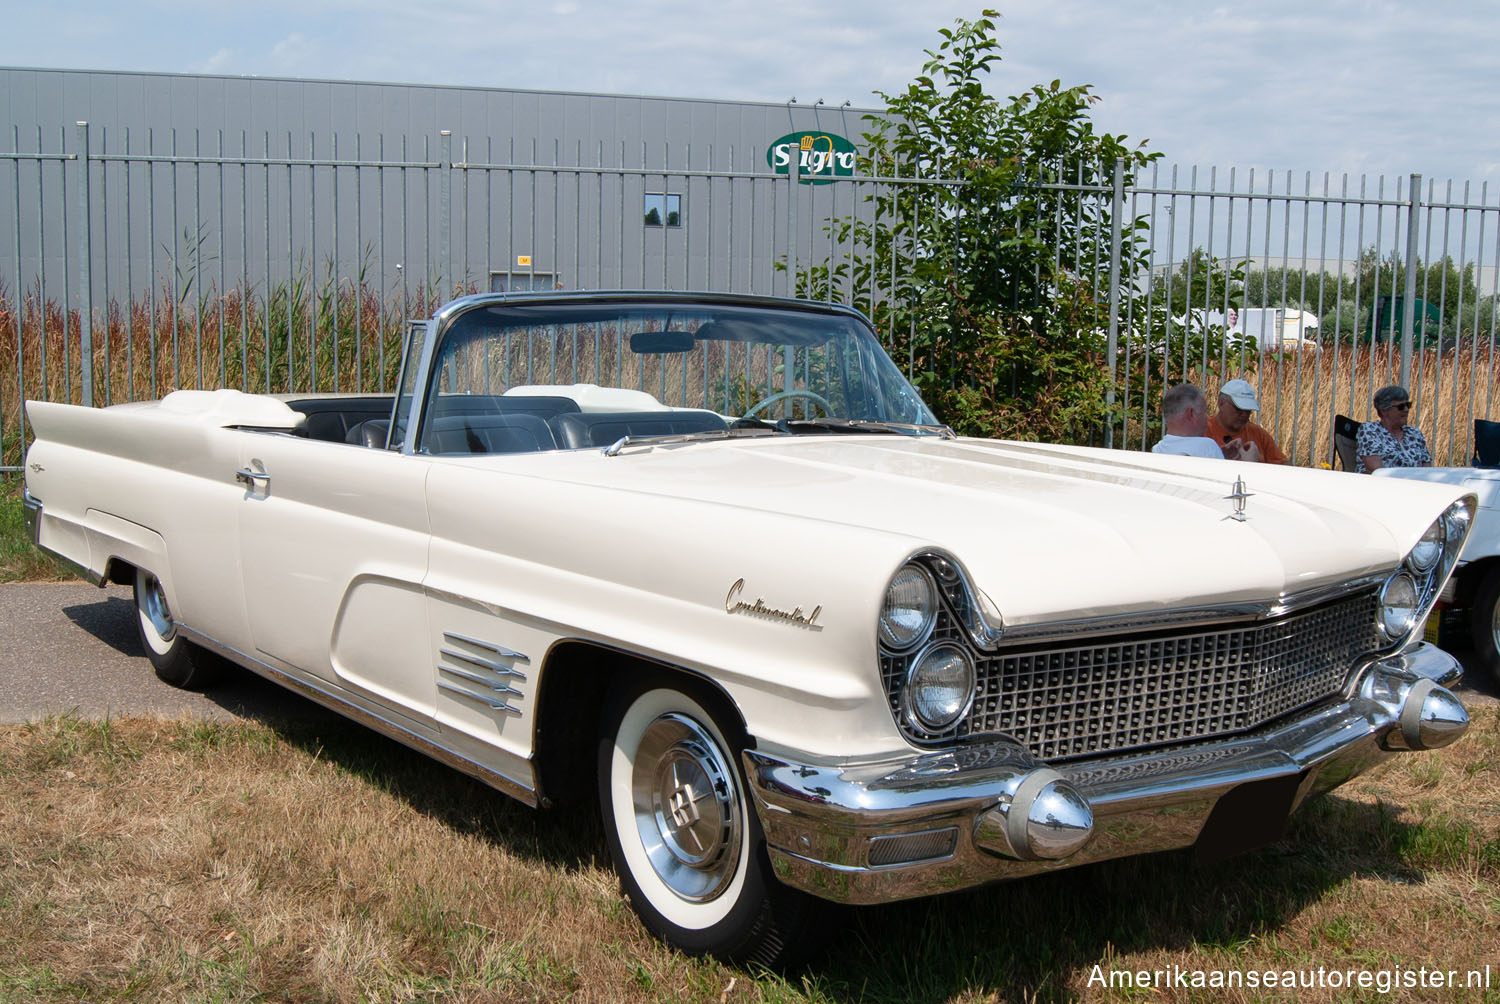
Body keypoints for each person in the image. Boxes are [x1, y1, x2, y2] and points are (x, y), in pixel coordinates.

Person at [1206, 378, 1287, 464]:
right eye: (1238, 409)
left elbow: (1285, 467)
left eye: (1248, 410)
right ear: (1221, 403)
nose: (1244, 414)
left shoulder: (1259, 434)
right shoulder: (1203, 430)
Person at [1357, 384, 1432, 473]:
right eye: (1401, 407)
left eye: (1408, 405)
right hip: (1382, 484)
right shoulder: (1370, 430)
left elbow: (1427, 469)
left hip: (1414, 483)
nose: (1406, 409)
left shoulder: (1415, 434)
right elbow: (1376, 469)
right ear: (1384, 410)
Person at [1151, 384, 1225, 458]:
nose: (1207, 417)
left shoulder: (1157, 450)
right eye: (1204, 412)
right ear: (1191, 413)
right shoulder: (1207, 447)